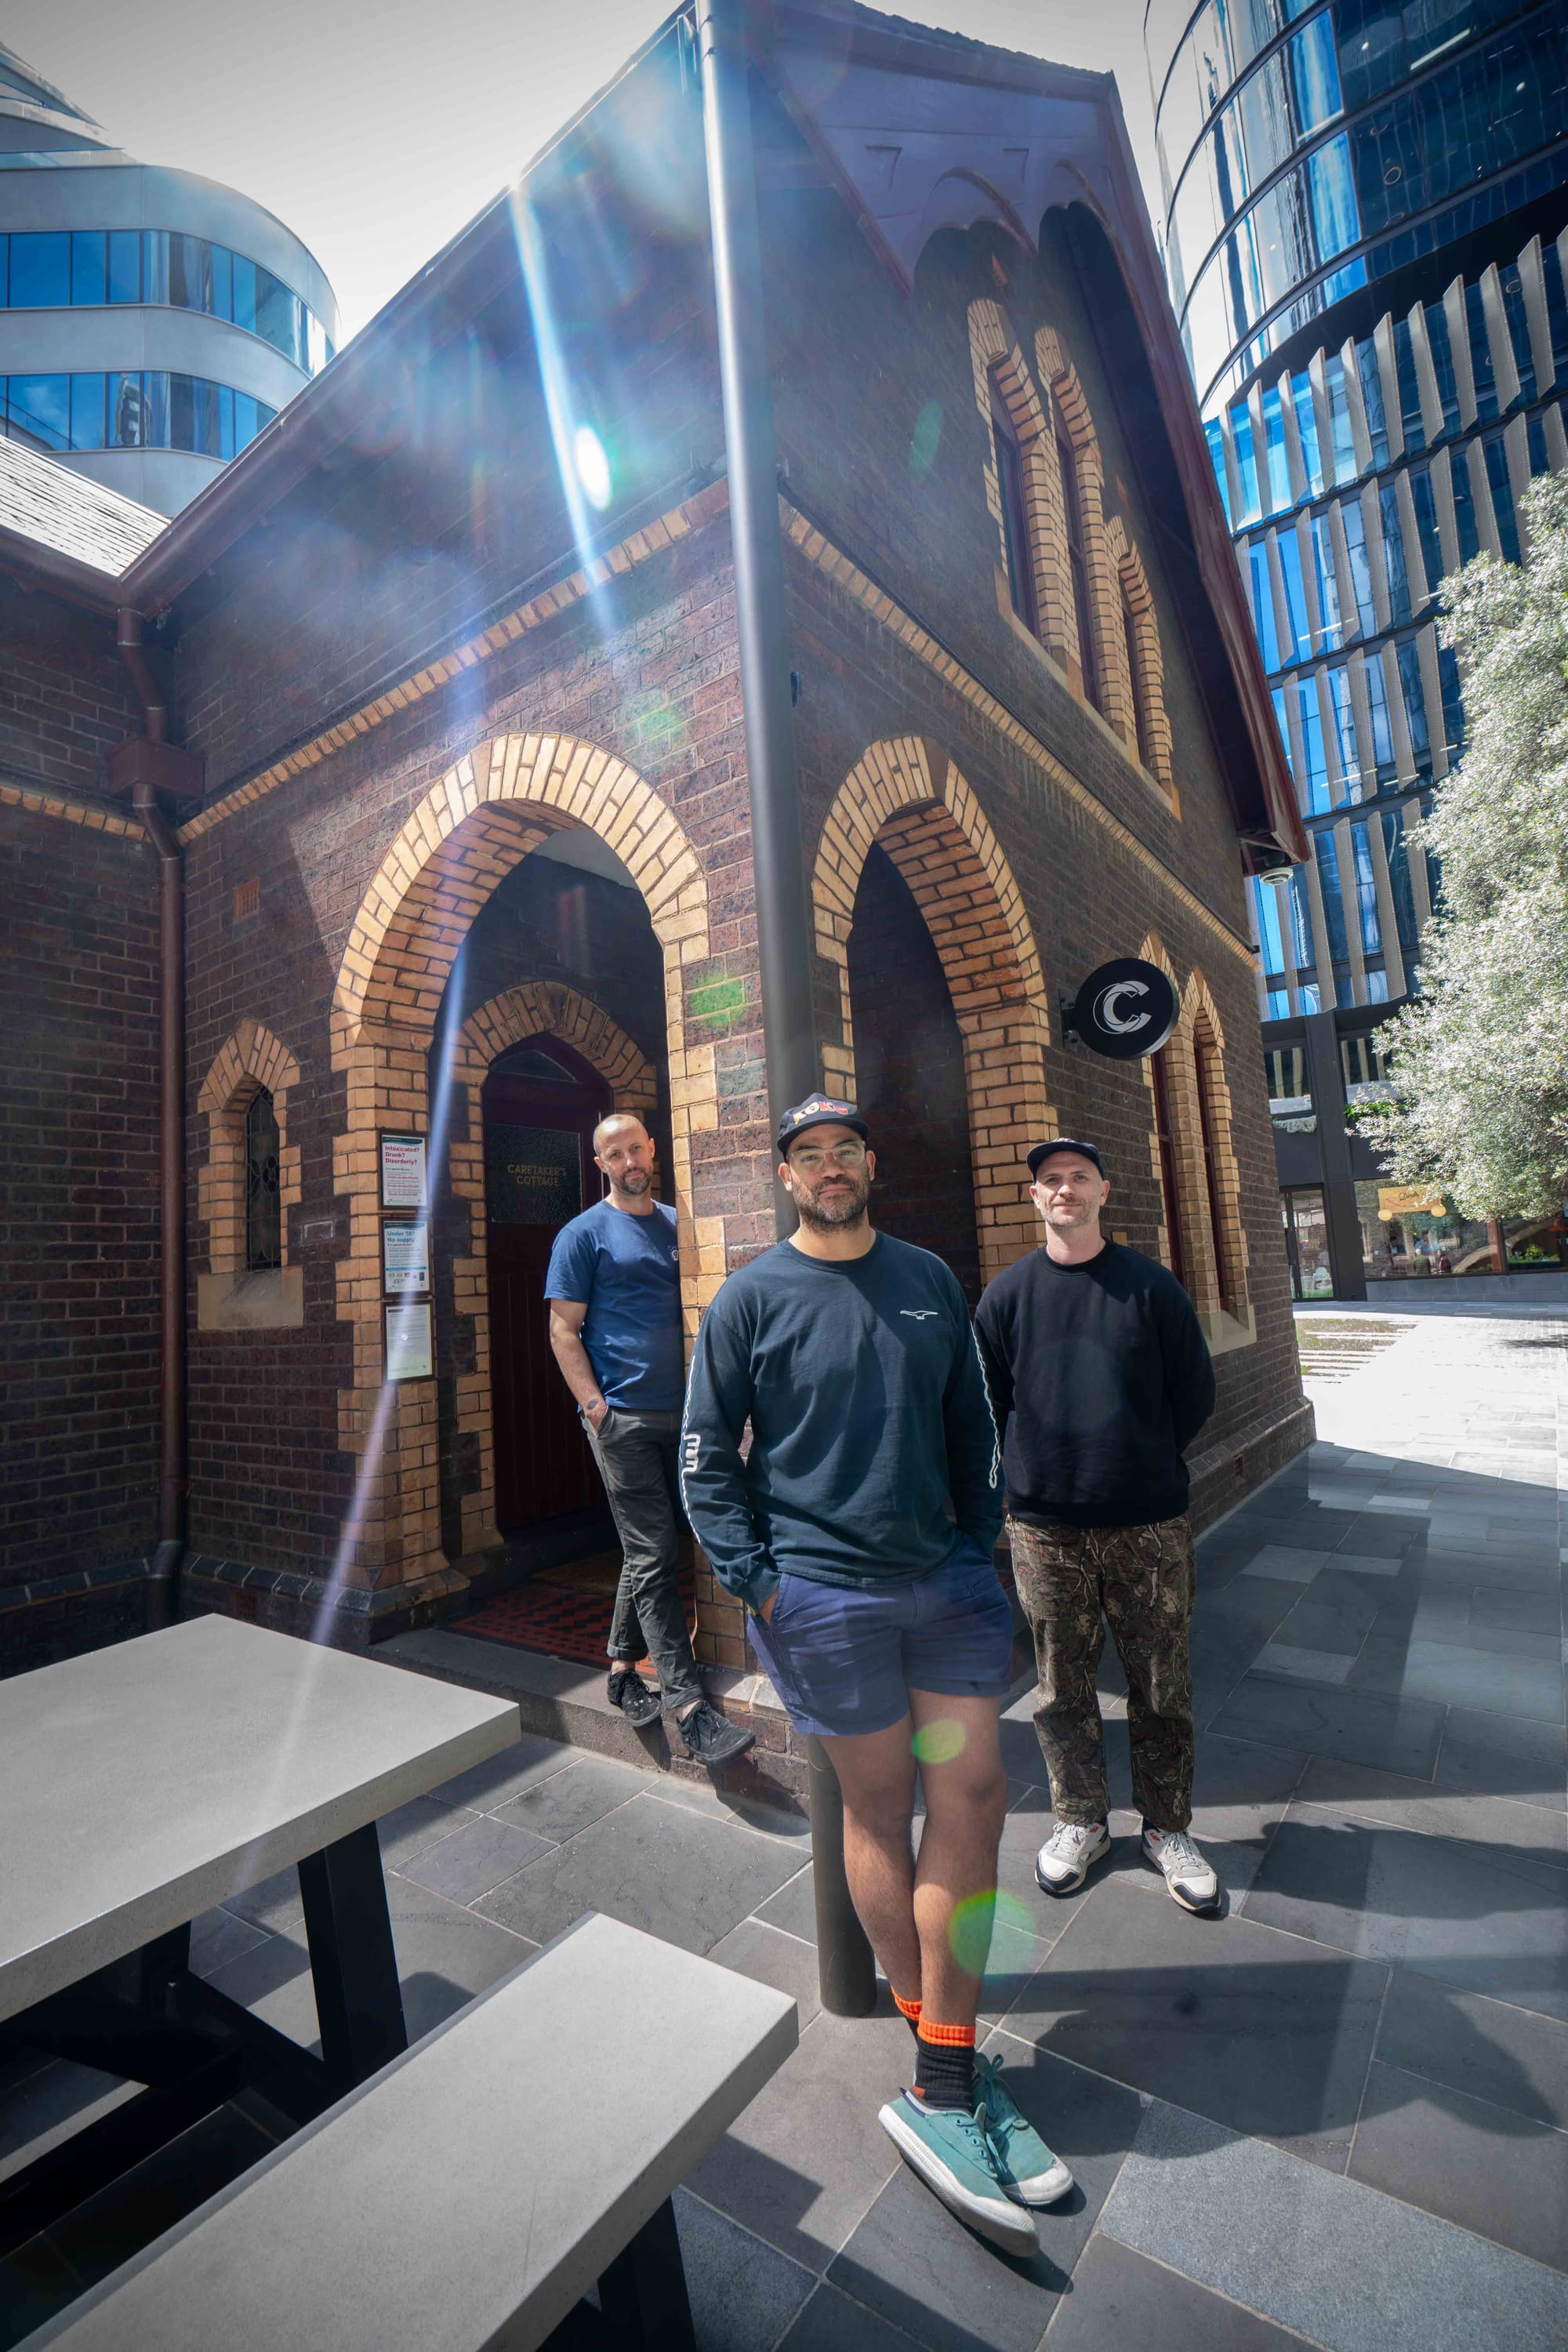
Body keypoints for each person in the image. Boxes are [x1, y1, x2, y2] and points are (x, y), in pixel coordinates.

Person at [680, 1094, 1072, 2257]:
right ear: (788, 1178)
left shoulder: (927, 1277)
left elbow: (972, 1420)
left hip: (944, 1588)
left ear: (869, 1162)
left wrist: (978, 1534)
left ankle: (942, 2073)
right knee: (877, 1806)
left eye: (848, 1146)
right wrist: (762, 1583)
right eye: (808, 1154)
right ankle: (944, 2066)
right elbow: (707, 1454)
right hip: (823, 1601)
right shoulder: (750, 1296)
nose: (831, 1166)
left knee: (977, 1799)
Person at [974, 1139, 1219, 1915]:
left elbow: (1194, 1393)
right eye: (1049, 1179)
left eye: (1078, 1176)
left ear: (1103, 1191)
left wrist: (1141, 1458)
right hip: (1044, 1527)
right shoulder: (1005, 1297)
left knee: (1160, 1684)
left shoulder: (1149, 1288)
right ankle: (1078, 1820)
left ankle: (1166, 1827)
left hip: (1146, 1521)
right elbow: (987, 1404)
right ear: (1032, 1198)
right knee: (1059, 1687)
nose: (1064, 1189)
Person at [546, 1111, 752, 1766]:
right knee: (656, 1552)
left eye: (637, 1147)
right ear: (600, 1163)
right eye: (615, 1153)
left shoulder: (676, 1225)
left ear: (652, 1150)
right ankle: (688, 1705)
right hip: (624, 1421)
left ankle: (618, 1667)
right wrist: (595, 1408)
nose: (629, 1160)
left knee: (653, 1549)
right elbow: (563, 1329)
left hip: (685, 1414)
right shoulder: (582, 1235)